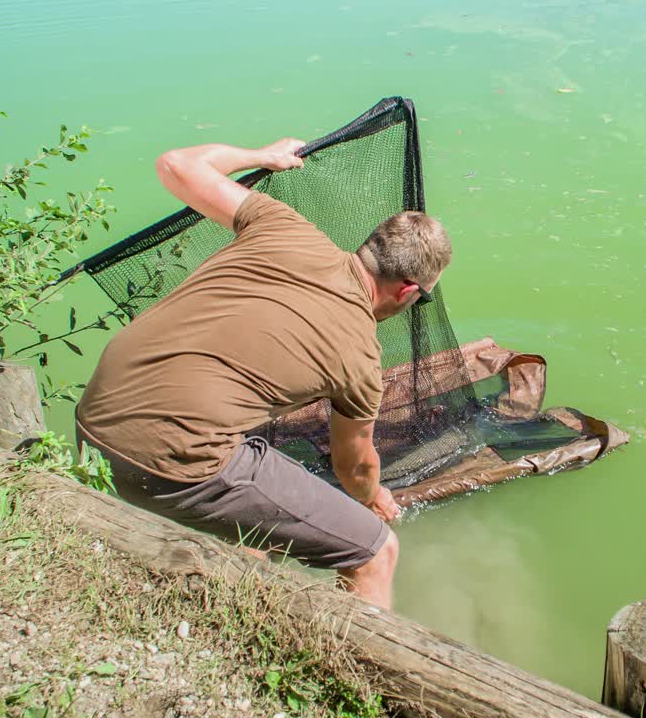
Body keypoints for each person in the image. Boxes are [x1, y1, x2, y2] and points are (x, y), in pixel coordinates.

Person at [75, 138, 451, 610]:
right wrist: (375, 497)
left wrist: (263, 157)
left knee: (270, 506)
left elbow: (175, 164)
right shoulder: (360, 356)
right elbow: (352, 467)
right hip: (163, 466)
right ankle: (359, 675)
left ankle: (227, 607)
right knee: (375, 550)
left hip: (92, 422)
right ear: (408, 290)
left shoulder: (284, 225)